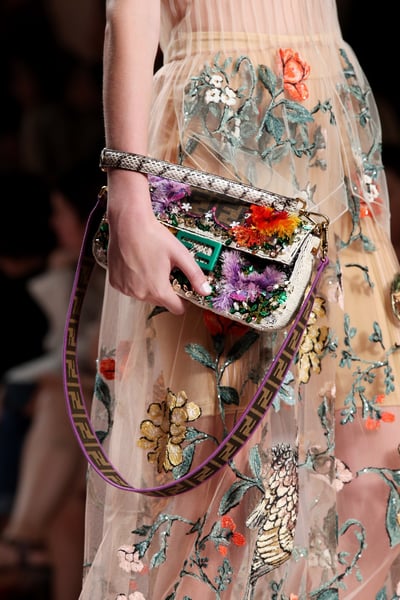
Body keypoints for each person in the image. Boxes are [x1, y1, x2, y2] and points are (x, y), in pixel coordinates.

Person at [79, 2, 400, 598]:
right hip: (220, 127)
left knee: (371, 459)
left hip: (334, 126)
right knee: (220, 474)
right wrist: (127, 186)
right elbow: (130, 11)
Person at [0, 160, 105, 600]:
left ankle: (17, 538)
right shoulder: (80, 267)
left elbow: (85, 349)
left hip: (104, 406)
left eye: (61, 212)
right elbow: (65, 345)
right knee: (67, 511)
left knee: (59, 400)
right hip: (85, 404)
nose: (53, 223)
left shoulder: (119, 270)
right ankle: (19, 540)